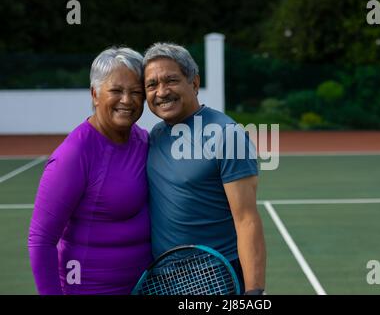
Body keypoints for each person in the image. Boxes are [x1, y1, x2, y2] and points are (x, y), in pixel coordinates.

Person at [143, 42, 266, 295]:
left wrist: (254, 292)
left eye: (171, 80)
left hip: (216, 278)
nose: (162, 91)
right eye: (151, 85)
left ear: (195, 83)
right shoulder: (155, 135)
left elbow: (247, 220)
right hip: (163, 278)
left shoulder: (227, 134)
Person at [28, 47, 152, 295]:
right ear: (95, 94)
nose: (127, 100)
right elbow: (41, 240)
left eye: (136, 92)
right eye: (116, 90)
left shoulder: (145, 140)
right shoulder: (74, 155)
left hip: (144, 287)